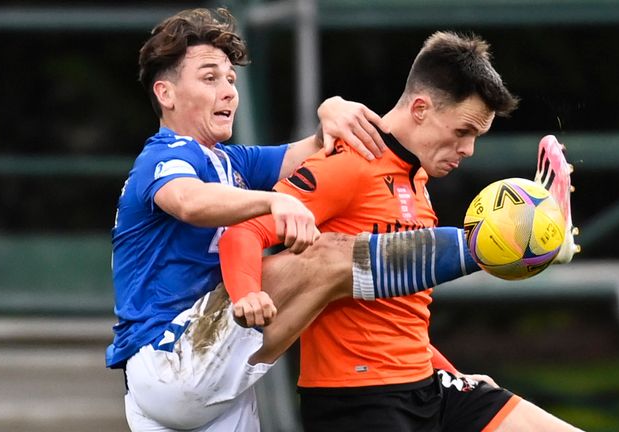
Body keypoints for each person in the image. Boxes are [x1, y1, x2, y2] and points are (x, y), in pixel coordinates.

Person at [220, 31, 582, 431]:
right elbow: (245, 229)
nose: (469, 150)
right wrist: (247, 294)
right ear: (421, 108)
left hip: (426, 383)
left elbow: (401, 316)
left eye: (477, 137)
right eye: (463, 132)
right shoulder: (349, 165)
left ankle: (536, 242)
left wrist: (453, 373)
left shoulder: (417, 182)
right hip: (357, 400)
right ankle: (530, 241)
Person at [106, 7, 399, 431]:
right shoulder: (164, 155)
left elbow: (319, 150)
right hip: (172, 354)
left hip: (195, 374)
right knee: (330, 256)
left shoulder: (231, 161)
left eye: (230, 79)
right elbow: (188, 201)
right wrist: (272, 203)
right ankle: (462, 253)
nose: (227, 91)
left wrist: (331, 109)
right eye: (209, 78)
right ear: (166, 94)